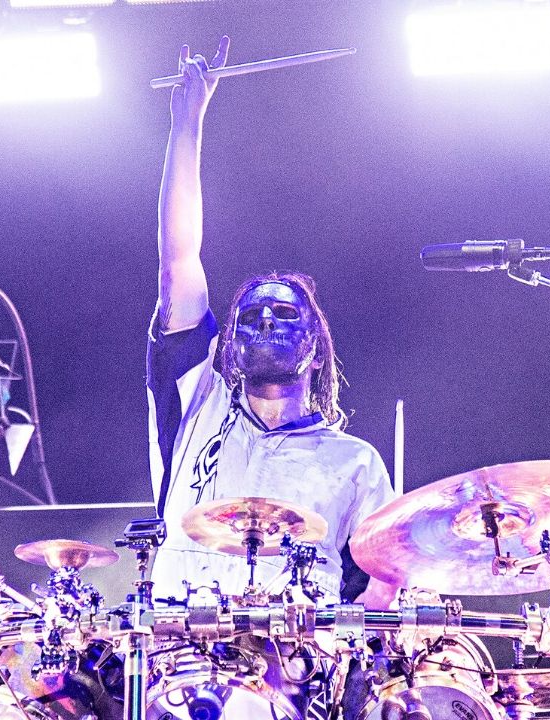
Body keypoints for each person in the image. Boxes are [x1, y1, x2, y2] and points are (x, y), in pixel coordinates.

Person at [146, 36, 398, 609]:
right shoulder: (196, 401)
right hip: (176, 667)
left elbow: (379, 595)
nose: (264, 321)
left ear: (313, 345)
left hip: (296, 678)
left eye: (285, 313)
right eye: (250, 315)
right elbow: (178, 261)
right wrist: (187, 124)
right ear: (227, 348)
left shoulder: (355, 462)